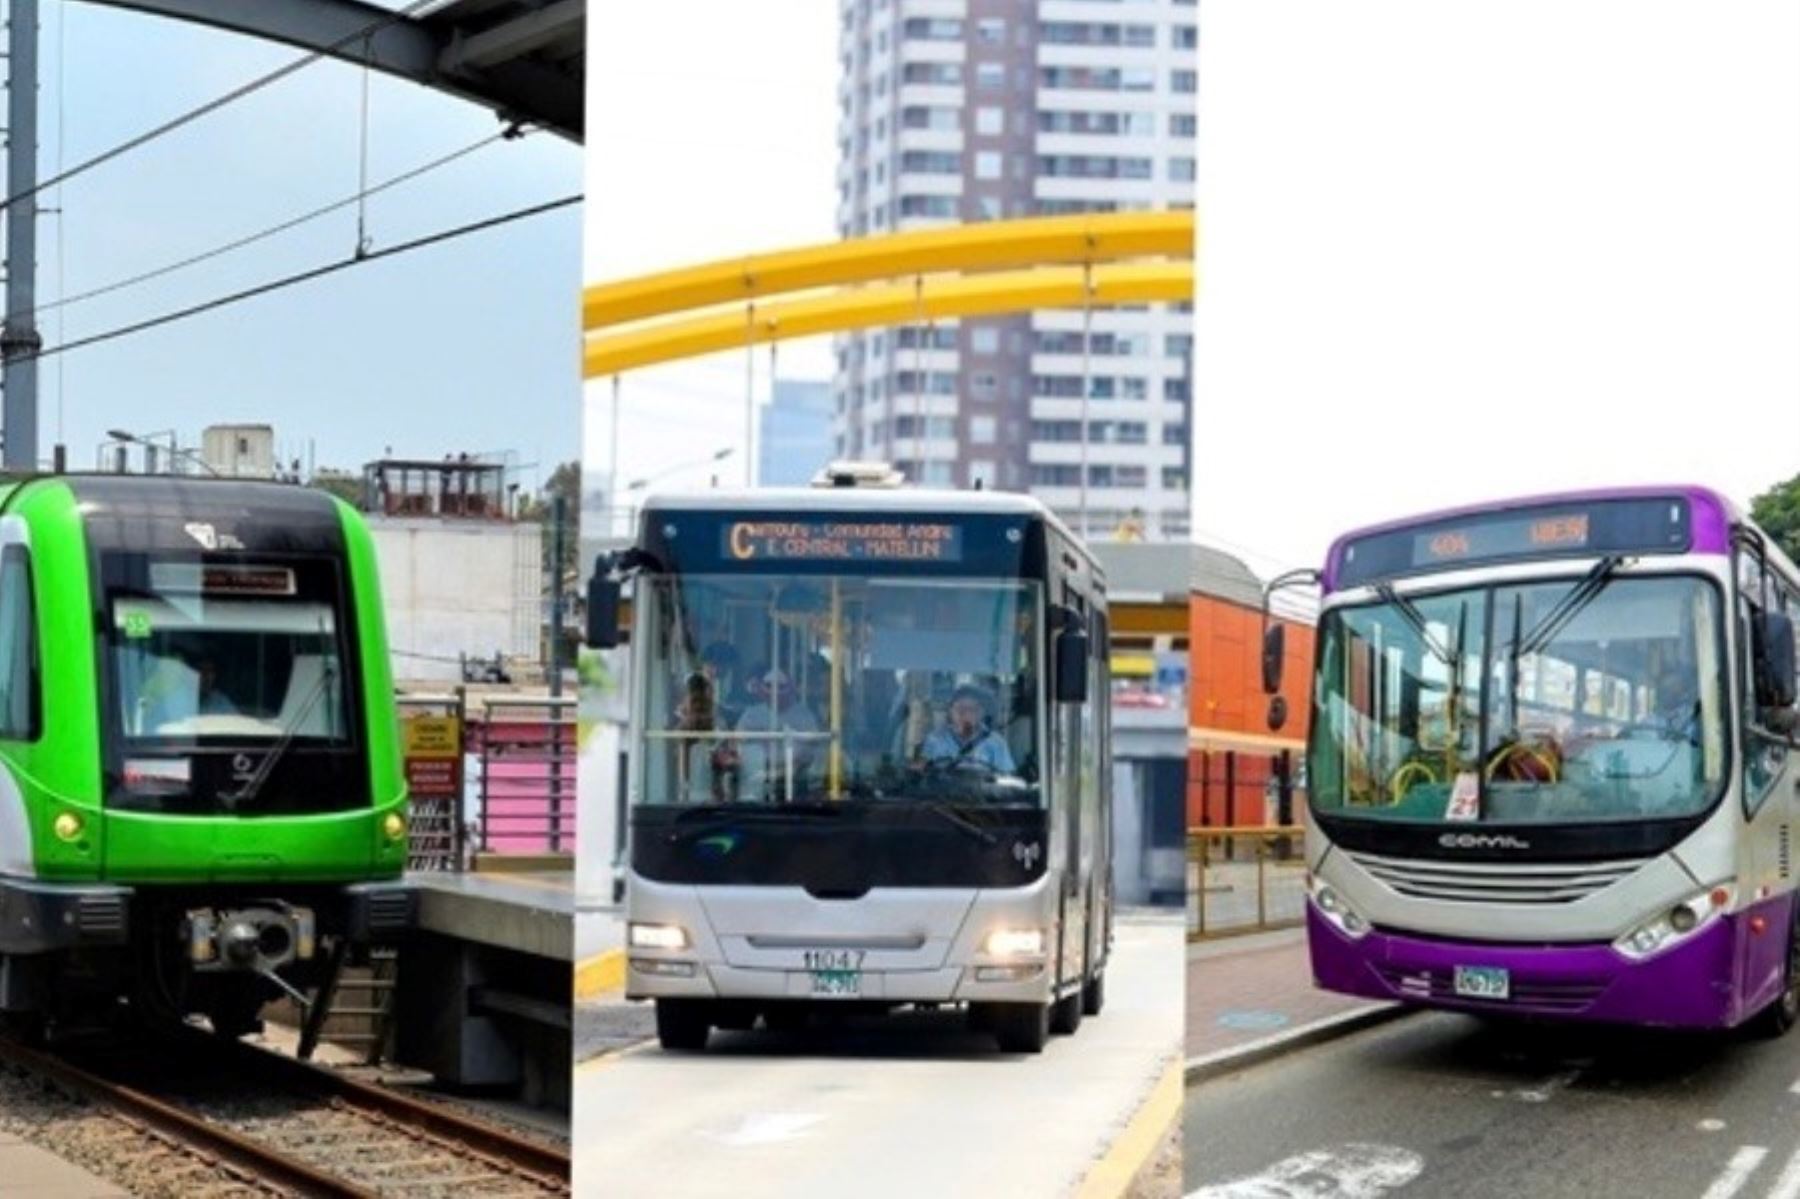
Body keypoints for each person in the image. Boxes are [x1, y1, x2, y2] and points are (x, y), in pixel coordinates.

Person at [734, 666, 822, 799]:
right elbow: (737, 742)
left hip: (795, 779)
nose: (774, 691)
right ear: (762, 690)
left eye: (780, 686)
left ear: (791, 689)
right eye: (769, 686)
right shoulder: (750, 715)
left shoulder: (805, 716)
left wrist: (787, 770)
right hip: (756, 780)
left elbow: (811, 750)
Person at [919, 685, 1016, 774]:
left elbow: (1007, 778)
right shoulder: (934, 740)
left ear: (981, 713)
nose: (965, 714)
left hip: (984, 792)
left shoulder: (996, 743)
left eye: (971, 709)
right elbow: (923, 775)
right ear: (950, 711)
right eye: (959, 709)